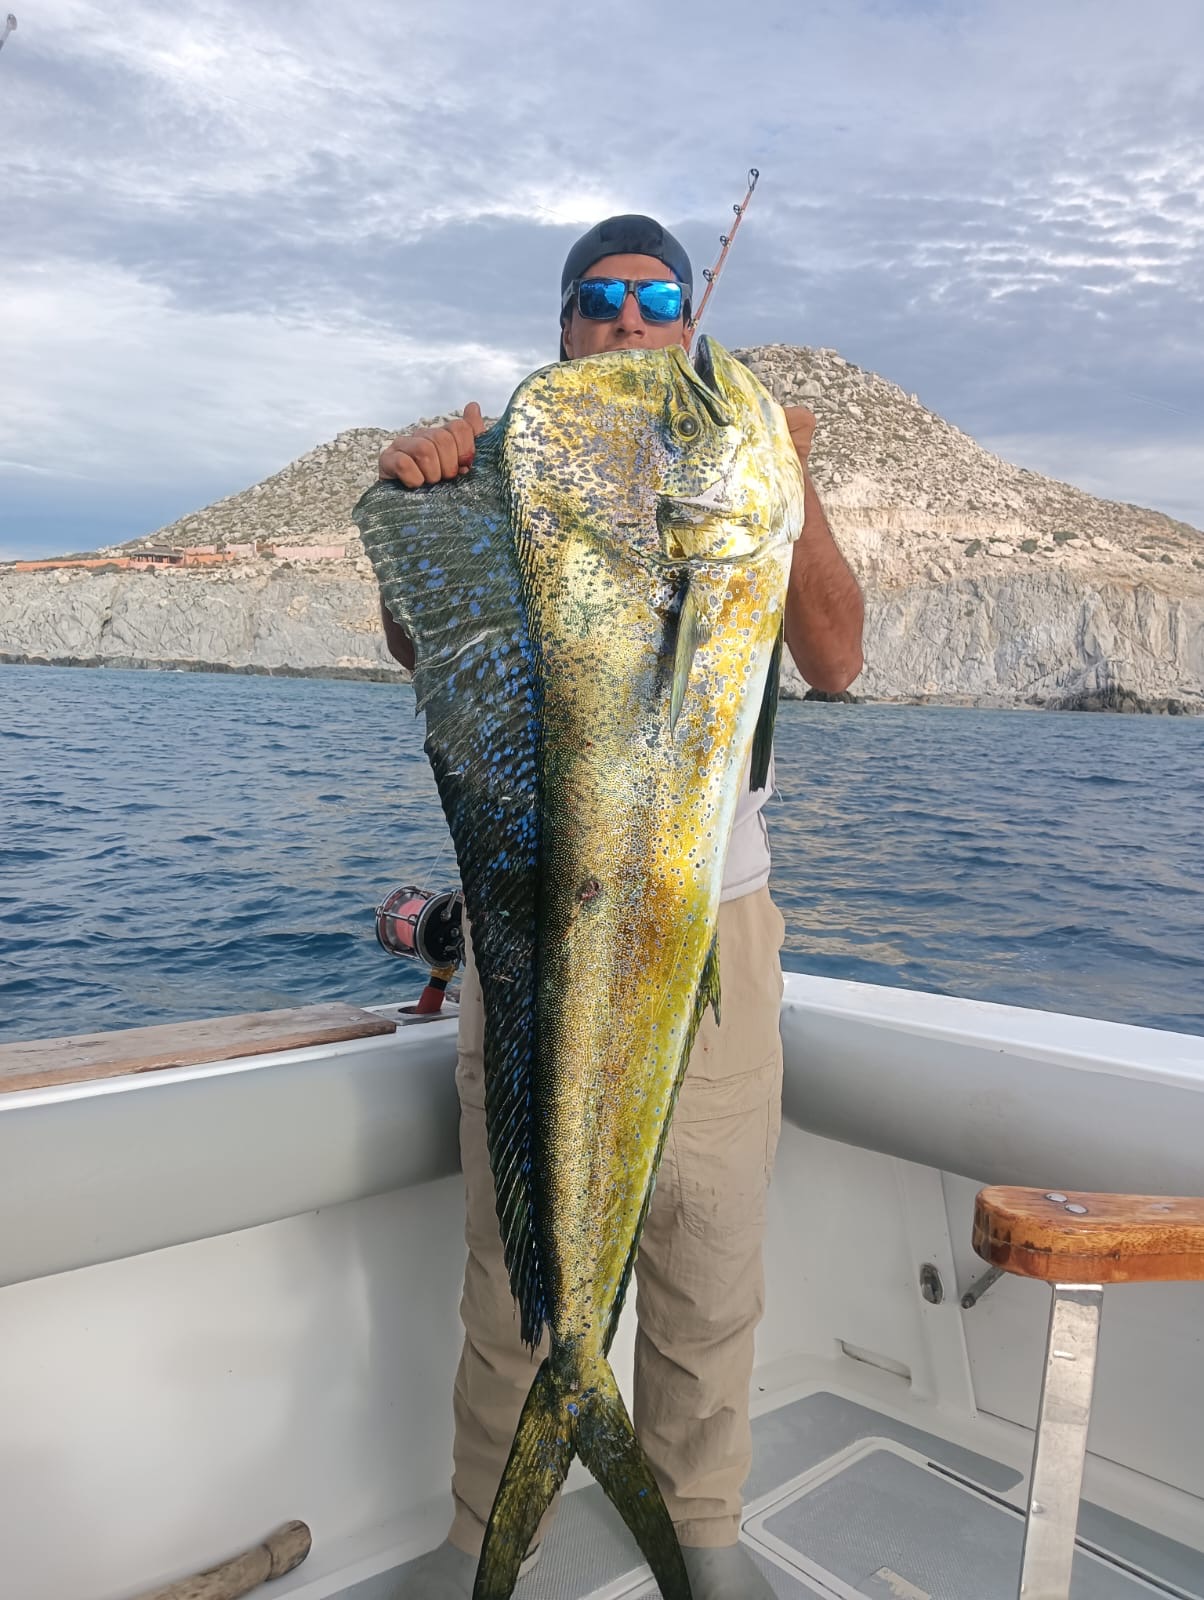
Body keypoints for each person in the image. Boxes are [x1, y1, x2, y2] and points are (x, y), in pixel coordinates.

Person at [378, 216, 864, 1600]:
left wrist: (790, 477)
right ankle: (488, 1541)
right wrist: (419, 503)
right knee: (514, 1276)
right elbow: (426, 643)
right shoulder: (530, 481)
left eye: (661, 299)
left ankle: (697, 1540)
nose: (635, 318)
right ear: (565, 331)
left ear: (686, 326)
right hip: (535, 935)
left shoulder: (736, 477)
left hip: (719, 928)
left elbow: (835, 658)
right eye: (602, 301)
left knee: (711, 1255)